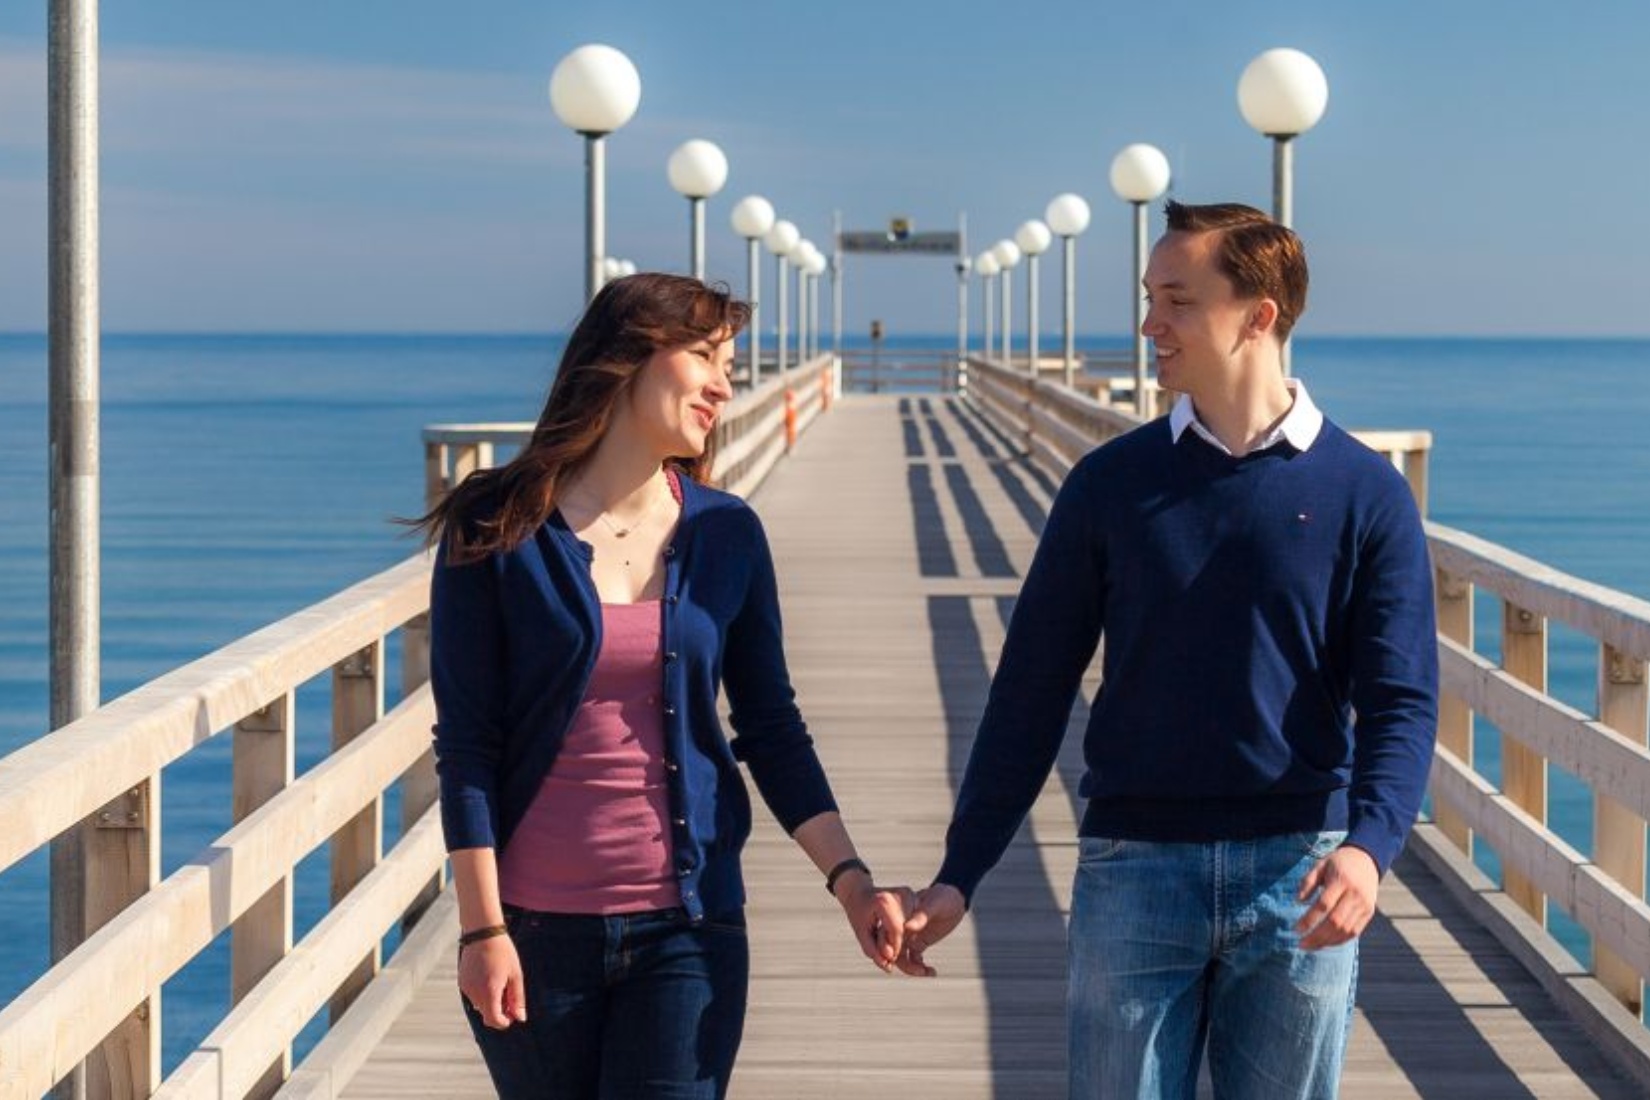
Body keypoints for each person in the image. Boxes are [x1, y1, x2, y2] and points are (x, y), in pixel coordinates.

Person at [900, 201, 1439, 1099]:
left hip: (1301, 870)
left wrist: (1369, 847)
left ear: (1258, 315)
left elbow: (1402, 698)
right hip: (1134, 869)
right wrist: (962, 873)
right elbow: (1030, 689)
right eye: (1150, 298)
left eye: (1177, 301)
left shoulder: (1364, 494)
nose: (1150, 325)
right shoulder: (1110, 485)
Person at [417, 272, 906, 1099]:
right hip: (534, 935)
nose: (725, 383)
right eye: (706, 356)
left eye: (731, 363)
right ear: (627, 357)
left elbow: (771, 728)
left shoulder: (726, 532)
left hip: (688, 927)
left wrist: (851, 880)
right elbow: (467, 745)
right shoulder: (496, 527)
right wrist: (482, 927)